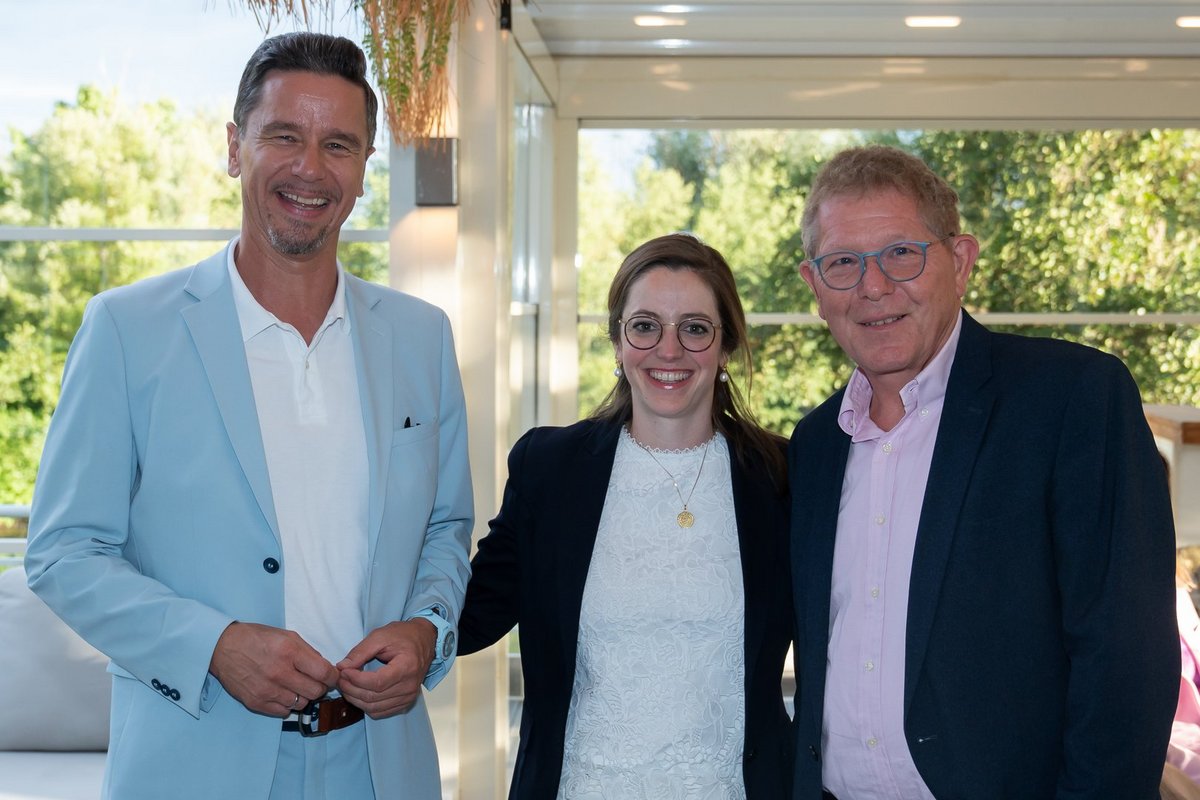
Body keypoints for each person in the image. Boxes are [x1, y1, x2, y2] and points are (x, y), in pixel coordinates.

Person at [24, 32, 473, 800]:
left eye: (338, 144)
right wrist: (213, 646)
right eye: (284, 137)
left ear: (364, 169)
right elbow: (64, 551)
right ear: (236, 148)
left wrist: (427, 629)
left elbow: (446, 529)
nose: (310, 168)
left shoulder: (421, 337)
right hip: (191, 762)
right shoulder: (128, 330)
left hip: (379, 767)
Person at [788, 144, 1177, 799]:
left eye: (902, 254)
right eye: (844, 263)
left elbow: (1124, 663)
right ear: (814, 286)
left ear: (961, 262)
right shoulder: (812, 446)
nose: (873, 287)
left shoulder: (1071, 400)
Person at [458, 233, 794, 798]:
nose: (669, 350)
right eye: (644, 325)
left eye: (694, 327)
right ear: (617, 341)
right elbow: (474, 614)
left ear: (726, 345)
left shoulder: (783, 476)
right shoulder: (549, 468)